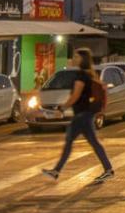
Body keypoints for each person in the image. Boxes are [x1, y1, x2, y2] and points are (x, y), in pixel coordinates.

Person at [41, 48, 114, 184]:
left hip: (82, 116)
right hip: (86, 114)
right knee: (91, 143)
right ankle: (108, 169)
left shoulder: (81, 76)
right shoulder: (89, 74)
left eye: (76, 56)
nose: (73, 59)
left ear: (82, 59)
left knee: (71, 142)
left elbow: (75, 96)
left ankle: (56, 171)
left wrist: (62, 109)